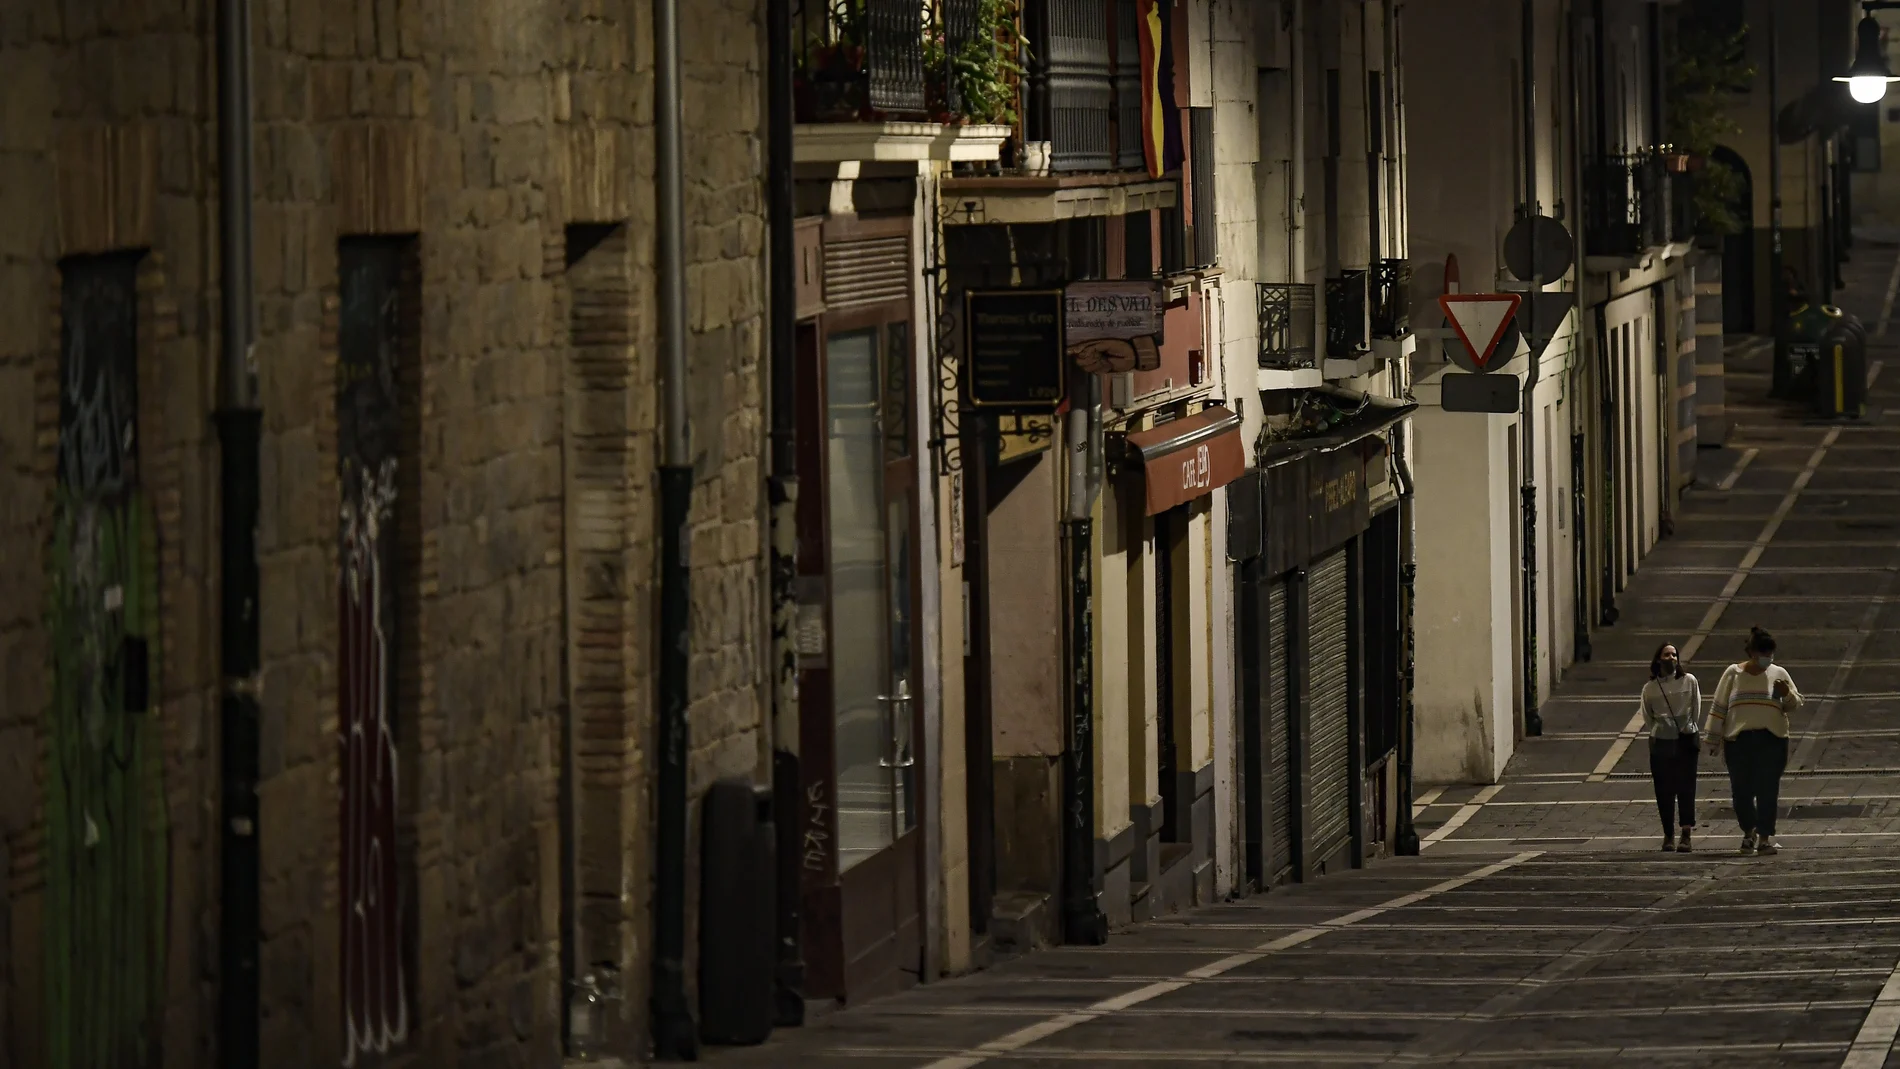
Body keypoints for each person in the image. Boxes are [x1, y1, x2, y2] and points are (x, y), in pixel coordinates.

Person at [1705, 627, 1804, 856]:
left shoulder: (1779, 673)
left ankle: (1764, 838)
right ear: (1751, 652)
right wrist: (1712, 738)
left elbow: (1795, 704)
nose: (1766, 659)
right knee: (1741, 790)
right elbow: (1719, 706)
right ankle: (1748, 832)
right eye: (1763, 653)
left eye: (1770, 654)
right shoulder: (1733, 674)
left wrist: (1786, 694)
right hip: (1739, 741)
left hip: (1772, 740)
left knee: (1768, 790)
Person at [1639, 642, 1702, 852]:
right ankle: (1668, 834)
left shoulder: (1689, 681)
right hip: (1662, 743)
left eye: (1674, 654)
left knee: (1686, 788)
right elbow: (1648, 717)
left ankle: (1686, 834)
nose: (1672, 658)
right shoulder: (1650, 688)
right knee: (1664, 790)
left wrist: (1688, 728)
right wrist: (1662, 730)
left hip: (1685, 739)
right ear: (1659, 659)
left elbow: (1696, 707)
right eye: (1667, 655)